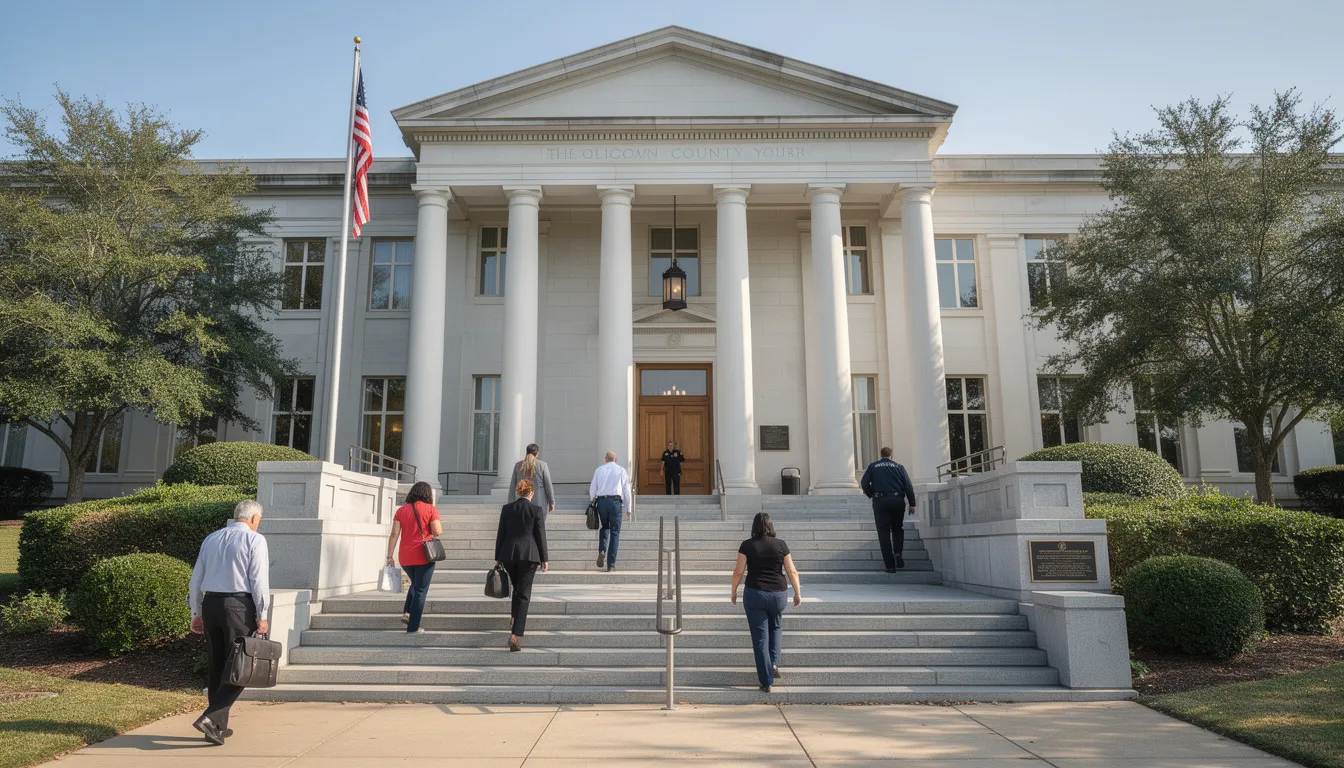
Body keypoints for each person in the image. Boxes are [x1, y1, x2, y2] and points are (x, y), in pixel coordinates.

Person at [187, 499, 271, 745]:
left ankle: (215, 728)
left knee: (217, 665)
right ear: (254, 519)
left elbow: (196, 578)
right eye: (259, 522)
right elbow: (258, 581)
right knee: (243, 666)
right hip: (239, 606)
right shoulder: (255, 540)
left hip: (211, 604)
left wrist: (196, 612)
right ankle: (210, 718)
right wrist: (262, 615)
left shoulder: (211, 538)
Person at [731, 512, 802, 693]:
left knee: (760, 637)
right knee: (776, 627)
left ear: (754, 526)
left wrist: (733, 591)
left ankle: (766, 681)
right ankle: (774, 662)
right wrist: (797, 592)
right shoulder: (781, 545)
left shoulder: (747, 545)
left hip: (755, 593)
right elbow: (791, 571)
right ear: (771, 526)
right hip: (778, 594)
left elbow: (738, 572)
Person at [495, 478, 549, 651]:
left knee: (517, 589)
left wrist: (498, 556)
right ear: (531, 493)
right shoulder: (536, 510)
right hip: (529, 555)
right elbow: (540, 535)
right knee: (524, 593)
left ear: (519, 492)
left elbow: (501, 533)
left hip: (509, 554)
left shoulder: (507, 509)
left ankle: (513, 617)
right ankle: (515, 634)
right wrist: (545, 558)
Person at [386, 481, 442, 633]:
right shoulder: (431, 509)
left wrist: (389, 556)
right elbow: (437, 531)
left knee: (416, 584)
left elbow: (394, 534)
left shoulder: (401, 510)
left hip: (405, 557)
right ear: (428, 494)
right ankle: (413, 627)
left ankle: (408, 612)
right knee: (421, 590)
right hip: (424, 556)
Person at [860, 446, 918, 572]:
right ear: (892, 456)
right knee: (897, 529)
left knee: (883, 533)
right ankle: (898, 553)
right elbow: (908, 486)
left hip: (881, 501)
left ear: (881, 455)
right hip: (898, 501)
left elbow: (864, 484)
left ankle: (890, 566)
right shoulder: (899, 467)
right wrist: (912, 503)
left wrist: (872, 494)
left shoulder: (873, 466)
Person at [588, 450, 631, 572]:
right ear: (615, 460)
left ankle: (602, 549)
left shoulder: (599, 470)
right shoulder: (621, 470)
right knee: (615, 532)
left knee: (605, 527)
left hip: (602, 502)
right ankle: (611, 564)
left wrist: (593, 502)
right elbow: (626, 490)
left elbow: (593, 488)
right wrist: (629, 507)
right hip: (615, 502)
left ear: (606, 459)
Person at [508, 443, 556, 515]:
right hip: (539, 501)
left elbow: (513, 485)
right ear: (537, 453)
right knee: (539, 524)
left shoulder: (518, 465)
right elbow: (548, 485)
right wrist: (552, 502)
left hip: (520, 502)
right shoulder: (542, 465)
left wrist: (510, 502)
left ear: (527, 452)